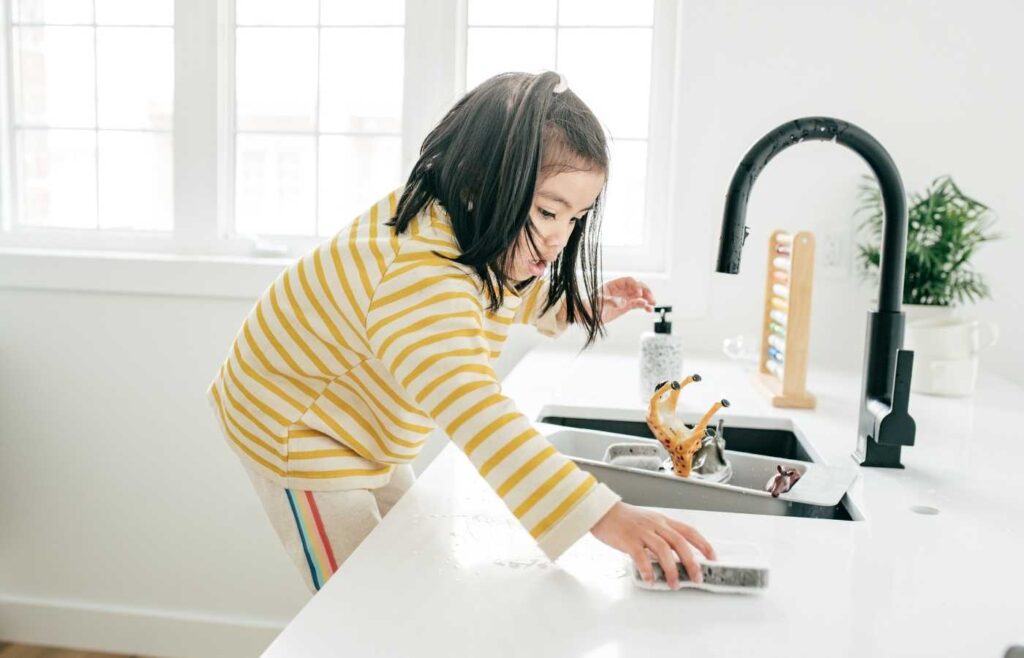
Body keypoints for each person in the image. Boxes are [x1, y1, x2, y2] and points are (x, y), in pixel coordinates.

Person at [207, 71, 714, 594]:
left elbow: (493, 292)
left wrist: (574, 305)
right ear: (480, 181)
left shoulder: (466, 225)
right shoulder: (421, 275)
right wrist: (605, 515)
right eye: (547, 211)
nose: (561, 237)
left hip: (357, 423)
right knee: (362, 600)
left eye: (575, 218)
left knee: (414, 568)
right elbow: (478, 412)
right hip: (296, 426)